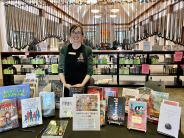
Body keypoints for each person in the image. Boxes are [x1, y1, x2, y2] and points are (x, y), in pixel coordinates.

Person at [58, 24, 93, 97]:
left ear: (82, 34)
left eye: (78, 32)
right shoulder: (64, 49)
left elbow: (90, 70)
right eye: (73, 32)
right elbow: (60, 69)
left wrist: (82, 84)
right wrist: (64, 84)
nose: (75, 35)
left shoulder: (88, 50)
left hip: (83, 88)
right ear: (70, 34)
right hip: (67, 87)